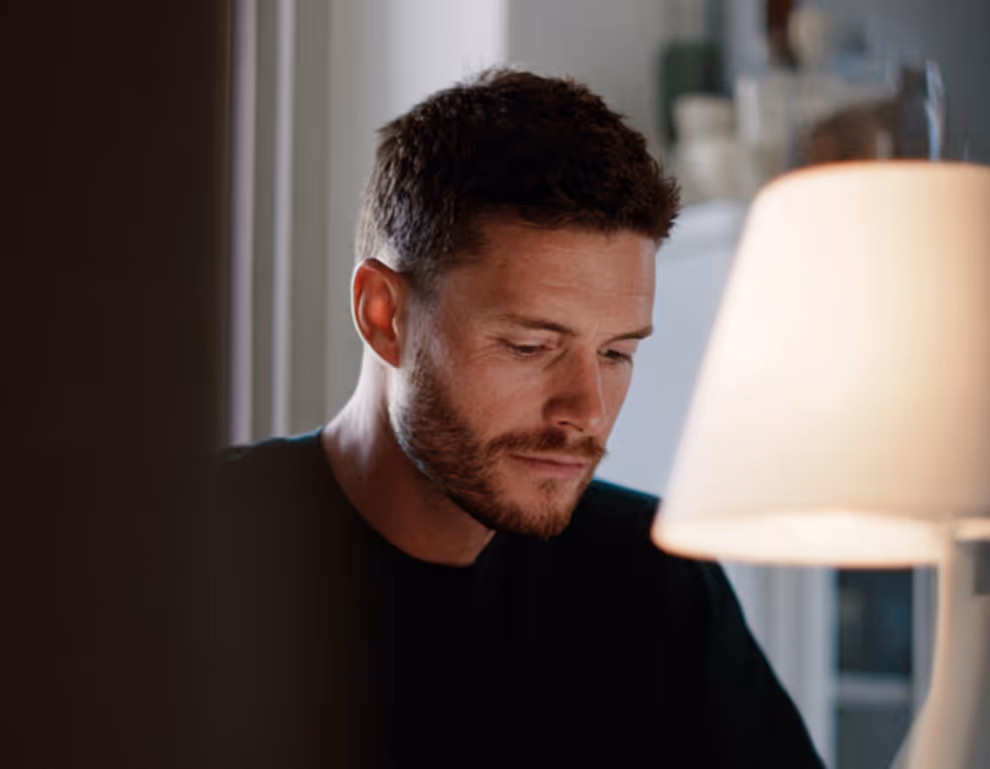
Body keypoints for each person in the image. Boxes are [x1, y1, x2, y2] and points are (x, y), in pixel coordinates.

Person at [221, 69, 824, 769]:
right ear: (384, 316)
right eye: (531, 346)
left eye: (616, 352)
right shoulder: (177, 561)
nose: (586, 411)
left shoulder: (653, 583)